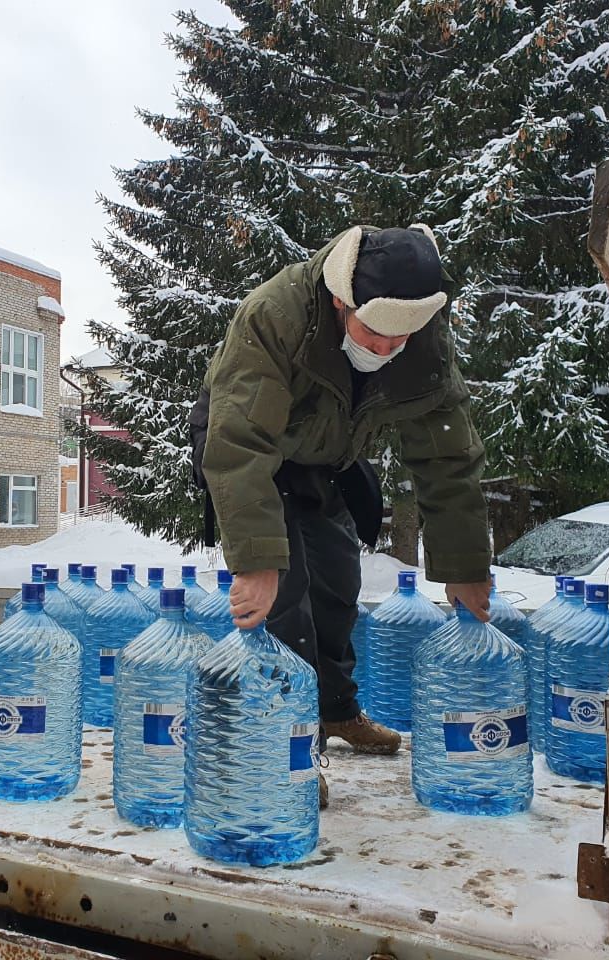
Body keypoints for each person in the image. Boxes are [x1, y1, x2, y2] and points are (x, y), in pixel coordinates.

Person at [191, 224, 493, 808]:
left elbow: (447, 451)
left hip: (327, 454)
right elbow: (239, 443)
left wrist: (464, 563)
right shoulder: (277, 315)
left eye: (398, 340)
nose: (386, 350)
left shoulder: (417, 334)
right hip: (247, 443)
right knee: (284, 598)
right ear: (340, 300)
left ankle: (335, 712)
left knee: (337, 586)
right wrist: (254, 559)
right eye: (374, 334)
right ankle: (283, 745)